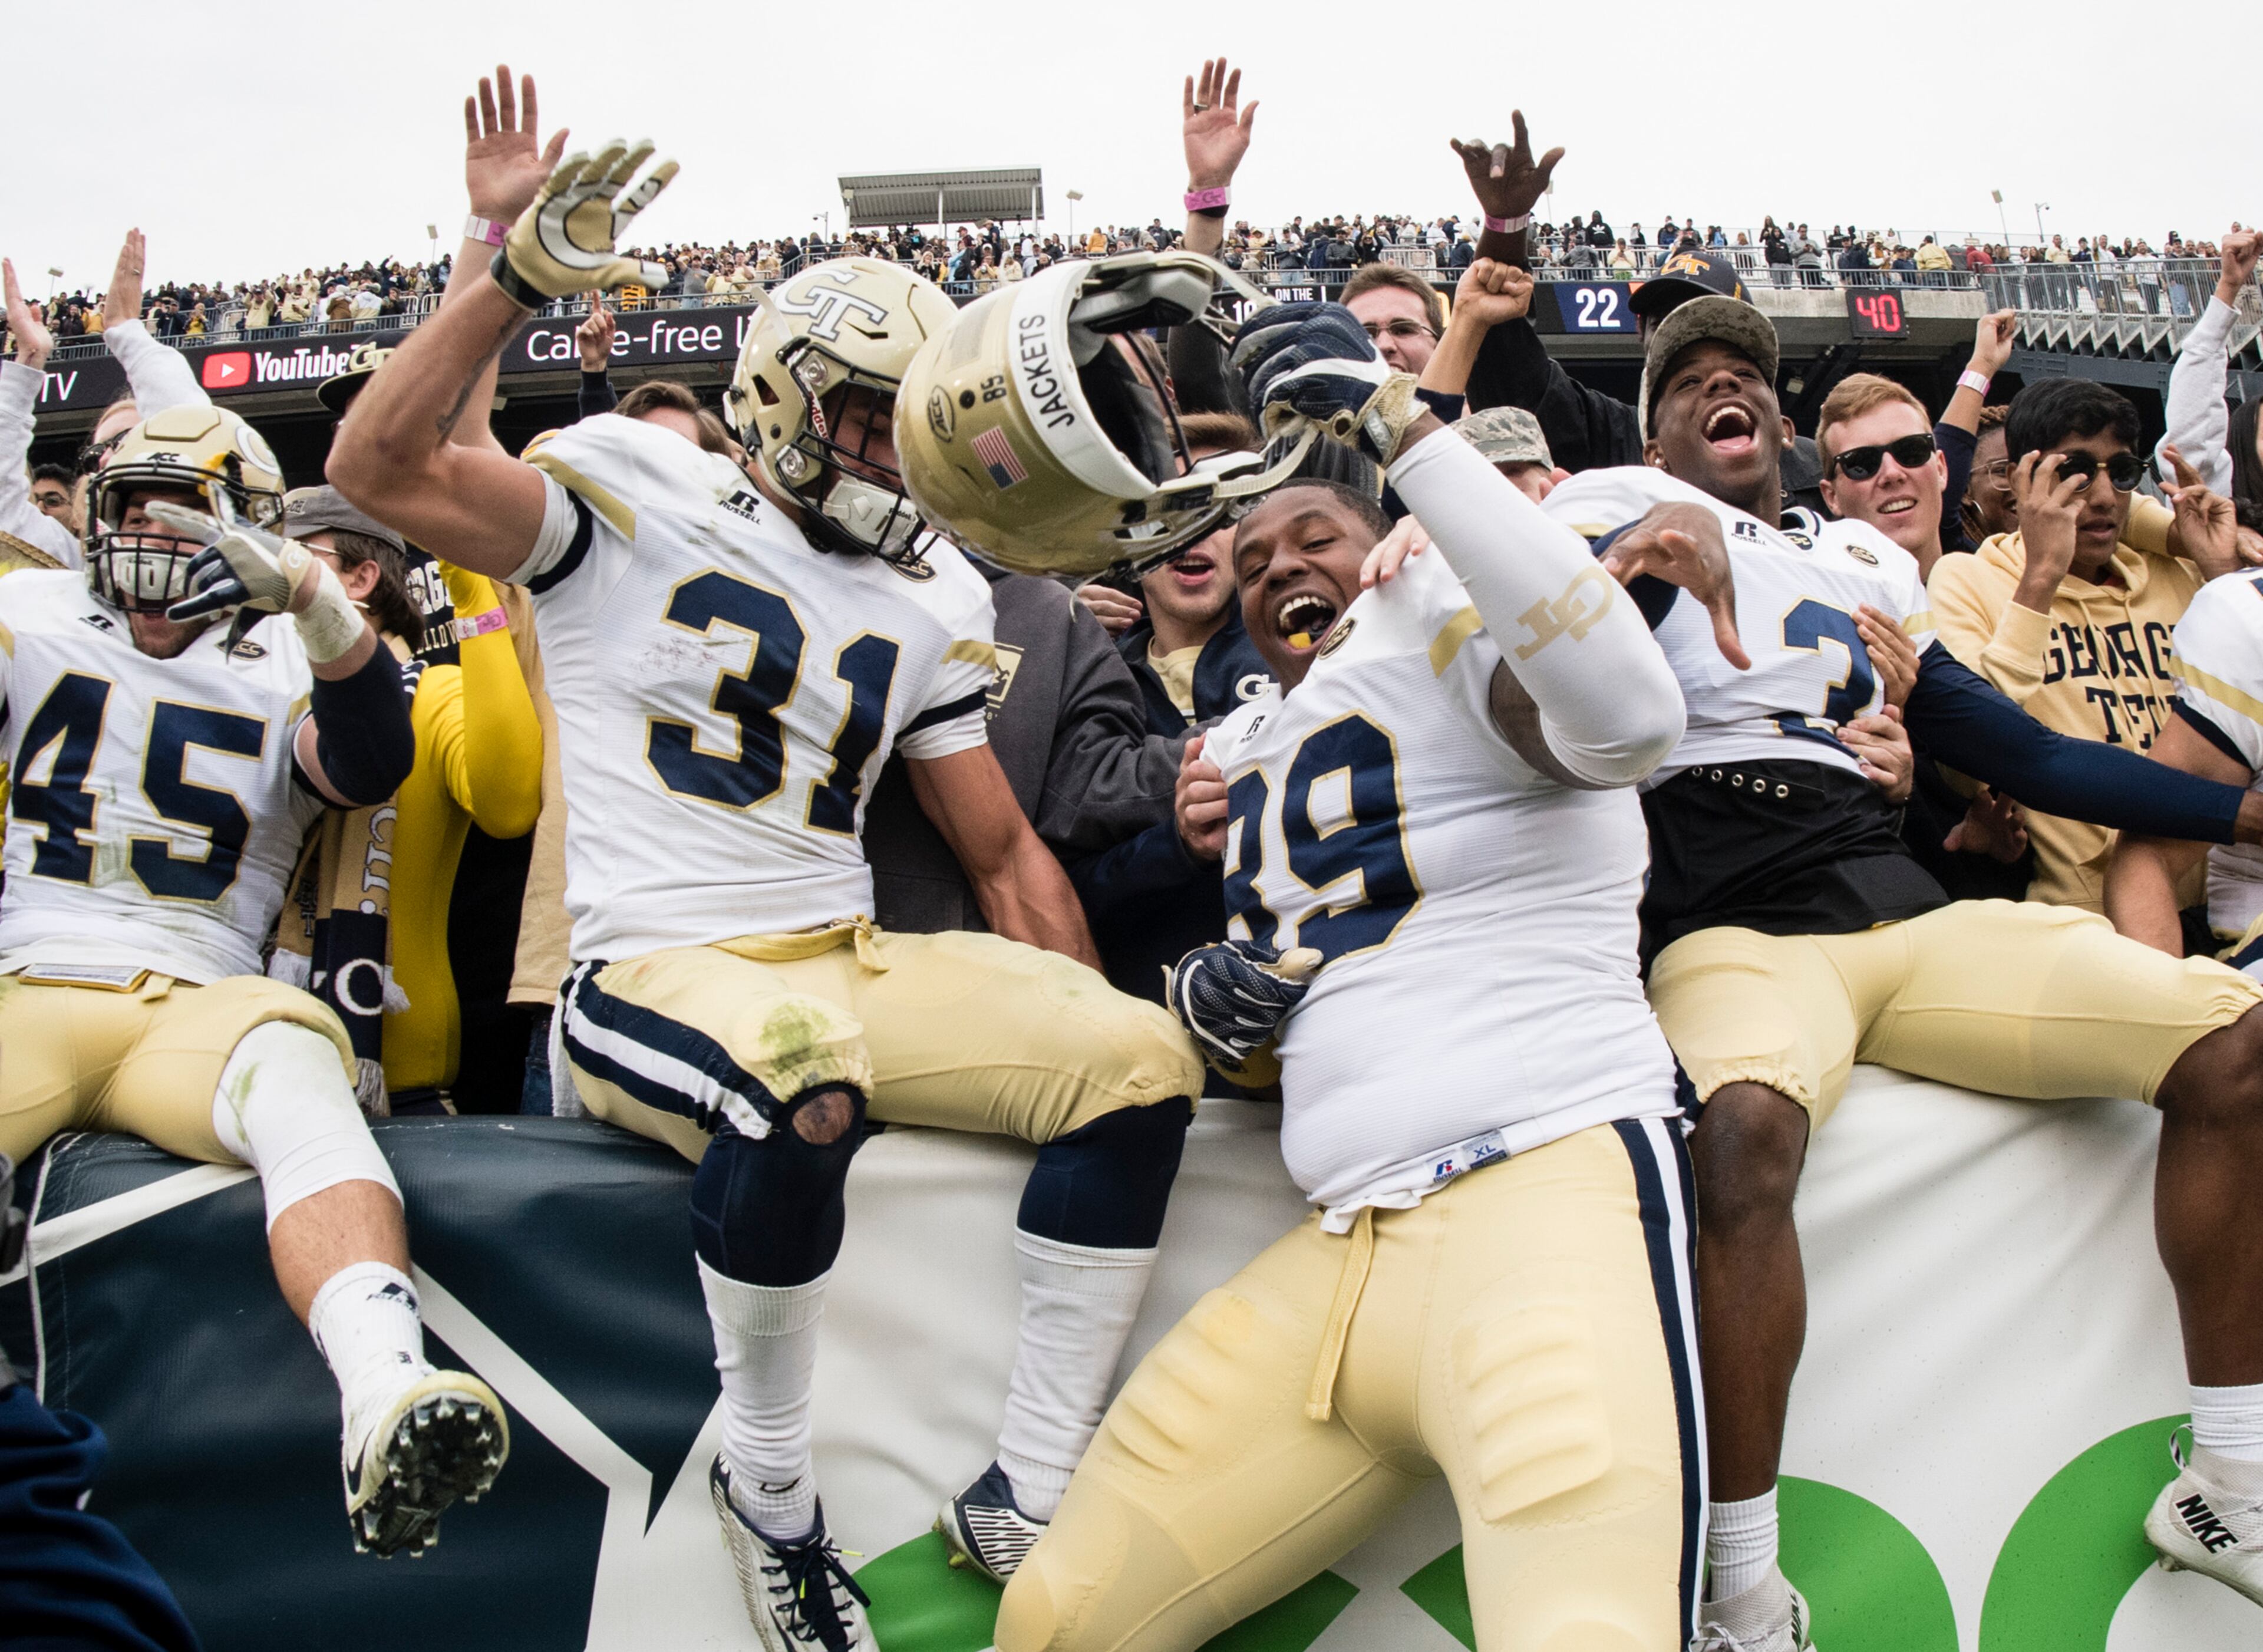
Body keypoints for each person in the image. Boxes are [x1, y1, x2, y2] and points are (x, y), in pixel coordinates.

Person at [326, 140, 1202, 1651]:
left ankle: (1033, 1485)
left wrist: (1074, 991)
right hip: (654, 966)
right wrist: (510, 278)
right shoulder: (635, 481)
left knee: (1139, 1061)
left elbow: (997, 852)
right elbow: (374, 471)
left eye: (900, 428)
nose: (882, 457)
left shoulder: (931, 587)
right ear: (783, 395)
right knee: (804, 1075)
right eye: (861, 419)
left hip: (839, 947)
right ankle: (773, 1492)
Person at [1526, 294, 2263, 1643]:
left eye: (1742, 372)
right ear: (1647, 427)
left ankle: (2230, 1477)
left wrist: (2239, 813)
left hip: (1897, 913)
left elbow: (2024, 753)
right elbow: (1530, 708)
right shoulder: (1601, 520)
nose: (1717, 388)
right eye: (1686, 379)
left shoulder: (1849, 572)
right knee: (1741, 1130)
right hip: (1726, 923)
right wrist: (1632, 565)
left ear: (1786, 431)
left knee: (2231, 1039)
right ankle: (1737, 1587)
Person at [994, 302, 1707, 1652]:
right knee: (1057, 1618)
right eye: (1249, 557)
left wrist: (1405, 432)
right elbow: (1332, 991)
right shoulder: (1256, 738)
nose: (1270, 570)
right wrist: (1215, 1012)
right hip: (1335, 1251)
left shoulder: (1438, 610)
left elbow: (1628, 715)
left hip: (1538, 1198)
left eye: (1308, 536)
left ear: (1381, 539)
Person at [0, 405, 507, 1559]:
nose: (146, 528)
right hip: (29, 978)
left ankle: (385, 1395)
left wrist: (319, 605)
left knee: (299, 1076)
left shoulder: (295, 649)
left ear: (250, 531)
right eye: (128, 503)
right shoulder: (28, 614)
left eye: (178, 506)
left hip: (199, 996)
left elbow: (372, 758)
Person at [266, 487, 544, 1112]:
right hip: (242, 1056)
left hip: (399, 1075)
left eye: (292, 557)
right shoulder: (253, 691)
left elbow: (510, 806)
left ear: (362, 578)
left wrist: (474, 600)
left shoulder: (431, 693)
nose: (270, 577)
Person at [1928, 383, 2248, 913]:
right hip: (2092, 922)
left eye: (2122, 472)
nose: (2103, 496)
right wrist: (2042, 577)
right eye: (2075, 471)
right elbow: (1968, 764)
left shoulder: (2181, 571)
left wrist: (2221, 574)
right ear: (2018, 479)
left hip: (2230, 906)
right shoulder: (1969, 578)